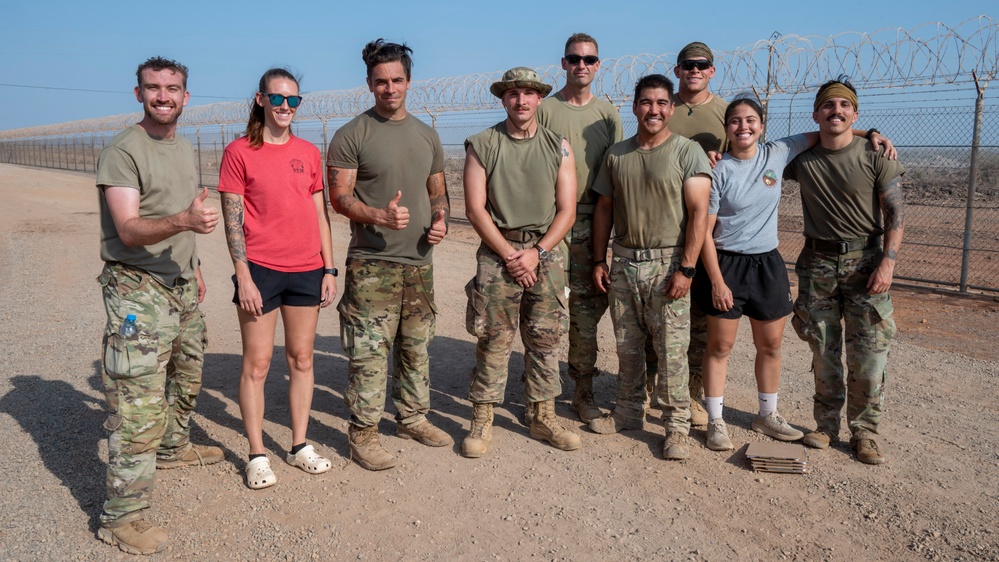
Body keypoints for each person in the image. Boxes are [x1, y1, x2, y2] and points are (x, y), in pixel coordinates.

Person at [694, 96, 897, 452]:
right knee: (720, 346)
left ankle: (767, 415)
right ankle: (715, 420)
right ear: (726, 128)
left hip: (767, 265)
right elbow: (704, 233)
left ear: (762, 126)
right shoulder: (718, 169)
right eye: (735, 121)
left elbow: (830, 130)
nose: (743, 127)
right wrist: (717, 281)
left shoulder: (778, 152)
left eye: (751, 120)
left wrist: (871, 133)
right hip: (727, 265)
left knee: (771, 346)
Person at [95, 56, 223, 555]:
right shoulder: (123, 151)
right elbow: (129, 229)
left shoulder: (183, 147)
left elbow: (179, 211)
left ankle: (173, 447)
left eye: (172, 89)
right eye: (153, 88)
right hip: (137, 289)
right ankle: (121, 517)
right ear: (139, 94)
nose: (163, 96)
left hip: (180, 283)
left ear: (186, 97)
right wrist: (184, 223)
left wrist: (195, 267)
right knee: (139, 404)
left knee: (188, 372)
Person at [327, 39, 452, 471]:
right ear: (369, 83)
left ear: (409, 82)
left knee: (416, 347)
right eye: (381, 81)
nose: (390, 88)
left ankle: (412, 418)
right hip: (372, 264)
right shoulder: (352, 135)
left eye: (397, 80)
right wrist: (377, 214)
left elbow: (438, 193)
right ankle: (363, 433)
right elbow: (339, 198)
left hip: (419, 263)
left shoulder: (427, 135)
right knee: (369, 352)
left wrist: (441, 220)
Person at [218, 68, 336, 489]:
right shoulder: (238, 152)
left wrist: (329, 268)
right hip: (260, 270)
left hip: (306, 269)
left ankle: (298, 445)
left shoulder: (308, 152)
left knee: (302, 359)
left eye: (293, 100)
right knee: (258, 363)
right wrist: (243, 276)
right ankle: (256, 454)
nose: (286, 106)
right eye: (278, 98)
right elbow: (233, 221)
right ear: (261, 100)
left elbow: (319, 214)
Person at [589, 74, 711, 460]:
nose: (653, 110)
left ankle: (676, 426)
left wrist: (687, 269)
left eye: (661, 103)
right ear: (635, 107)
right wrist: (599, 259)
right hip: (625, 262)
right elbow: (604, 208)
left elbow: (699, 213)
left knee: (672, 351)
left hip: (668, 264)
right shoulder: (617, 155)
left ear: (671, 108)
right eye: (646, 102)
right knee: (628, 346)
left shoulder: (687, 152)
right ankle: (628, 411)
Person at [462, 66, 581, 458]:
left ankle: (542, 415)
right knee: (493, 337)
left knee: (545, 337)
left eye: (529, 93)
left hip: (544, 252)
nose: (521, 100)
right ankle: (482, 417)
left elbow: (567, 209)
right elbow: (475, 209)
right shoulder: (483, 144)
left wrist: (537, 252)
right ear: (503, 100)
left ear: (539, 99)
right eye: (513, 94)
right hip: (499, 251)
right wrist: (510, 254)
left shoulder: (558, 146)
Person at [786, 77, 905, 465]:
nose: (835, 111)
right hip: (817, 264)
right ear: (816, 114)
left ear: (855, 113)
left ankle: (865, 433)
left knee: (869, 354)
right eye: (828, 106)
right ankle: (825, 426)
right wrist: (864, 129)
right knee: (823, 350)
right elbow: (759, 152)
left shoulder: (876, 155)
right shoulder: (802, 159)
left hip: (865, 263)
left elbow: (895, 215)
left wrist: (888, 262)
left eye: (844, 106)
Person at [536, 33, 623, 423]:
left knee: (586, 313)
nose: (581, 65)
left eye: (588, 59)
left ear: (598, 65)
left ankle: (582, 391)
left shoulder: (607, 115)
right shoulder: (544, 110)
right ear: (564, 63)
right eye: (574, 59)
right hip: (551, 222)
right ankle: (539, 391)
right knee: (544, 309)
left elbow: (615, 174)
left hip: (592, 222)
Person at [665, 41, 730, 427]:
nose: (694, 70)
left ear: (711, 71)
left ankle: (690, 393)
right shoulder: (663, 107)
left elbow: (748, 155)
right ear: (677, 70)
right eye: (687, 64)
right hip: (665, 227)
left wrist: (867, 132)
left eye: (702, 65)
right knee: (663, 313)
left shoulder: (725, 113)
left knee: (701, 320)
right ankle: (654, 387)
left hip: (707, 231)